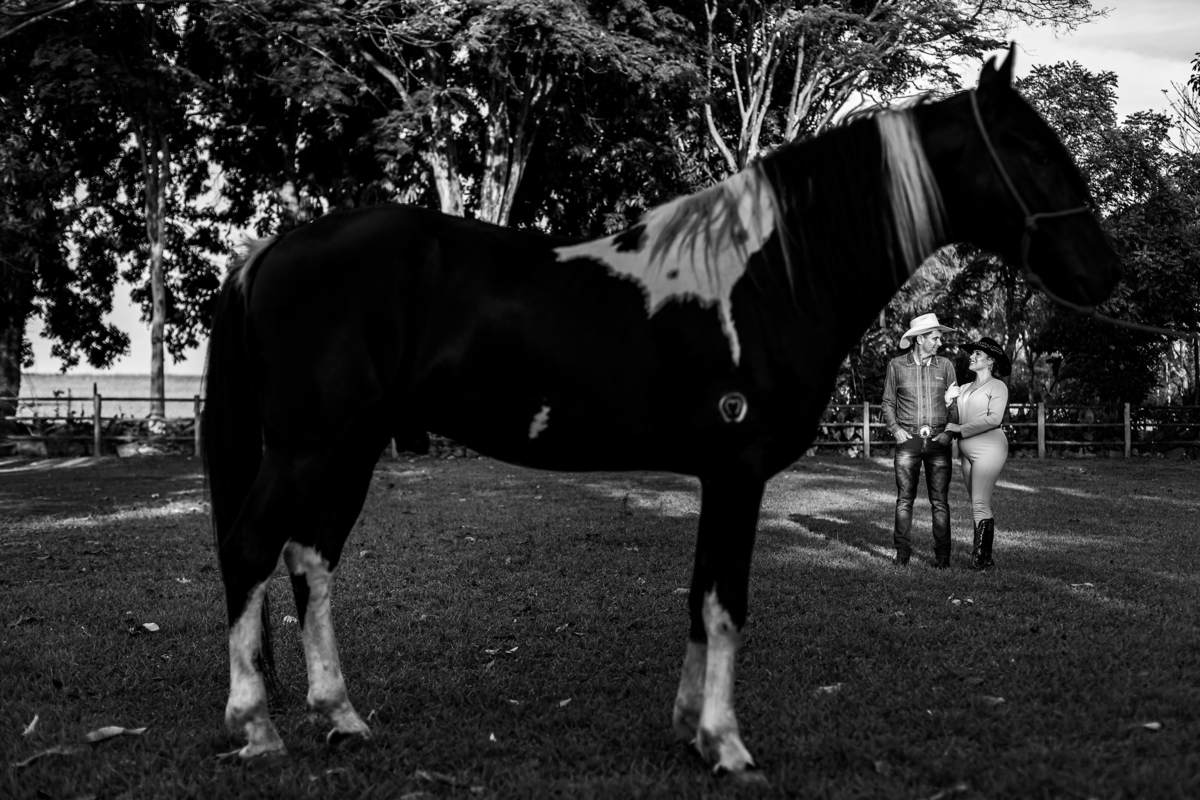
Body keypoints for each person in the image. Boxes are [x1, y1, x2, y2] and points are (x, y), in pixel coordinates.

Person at [882, 313, 960, 568]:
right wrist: (895, 429)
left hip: (939, 441)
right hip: (908, 441)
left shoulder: (946, 366)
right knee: (905, 499)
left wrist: (948, 433)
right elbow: (888, 402)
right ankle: (902, 554)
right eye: (935, 338)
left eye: (939, 338)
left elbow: (954, 404)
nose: (940, 343)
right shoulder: (896, 366)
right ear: (919, 339)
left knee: (940, 501)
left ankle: (943, 558)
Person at [945, 337, 1010, 571]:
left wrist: (960, 429)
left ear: (990, 361)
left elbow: (994, 419)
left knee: (980, 502)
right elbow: (954, 417)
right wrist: (948, 401)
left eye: (977, 354)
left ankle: (980, 558)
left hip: (990, 448)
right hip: (966, 453)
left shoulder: (998, 387)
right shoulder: (963, 388)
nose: (971, 357)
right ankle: (985, 555)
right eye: (972, 354)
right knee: (976, 502)